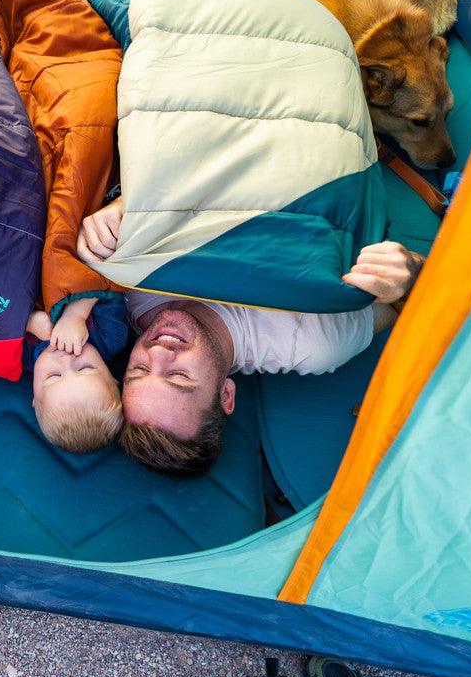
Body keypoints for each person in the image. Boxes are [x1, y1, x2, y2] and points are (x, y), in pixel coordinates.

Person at [79, 196, 425, 476]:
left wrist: (121, 207)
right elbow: (398, 306)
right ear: (226, 394)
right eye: (179, 376)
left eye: (138, 370)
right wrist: (410, 274)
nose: (157, 351)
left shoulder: (122, 299)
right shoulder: (311, 339)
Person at [24, 299, 126, 454]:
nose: (66, 358)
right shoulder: (109, 336)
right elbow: (110, 288)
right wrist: (75, 315)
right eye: (85, 368)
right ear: (112, 377)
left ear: (34, 397)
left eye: (54, 376)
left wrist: (26, 321)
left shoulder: (19, 355)